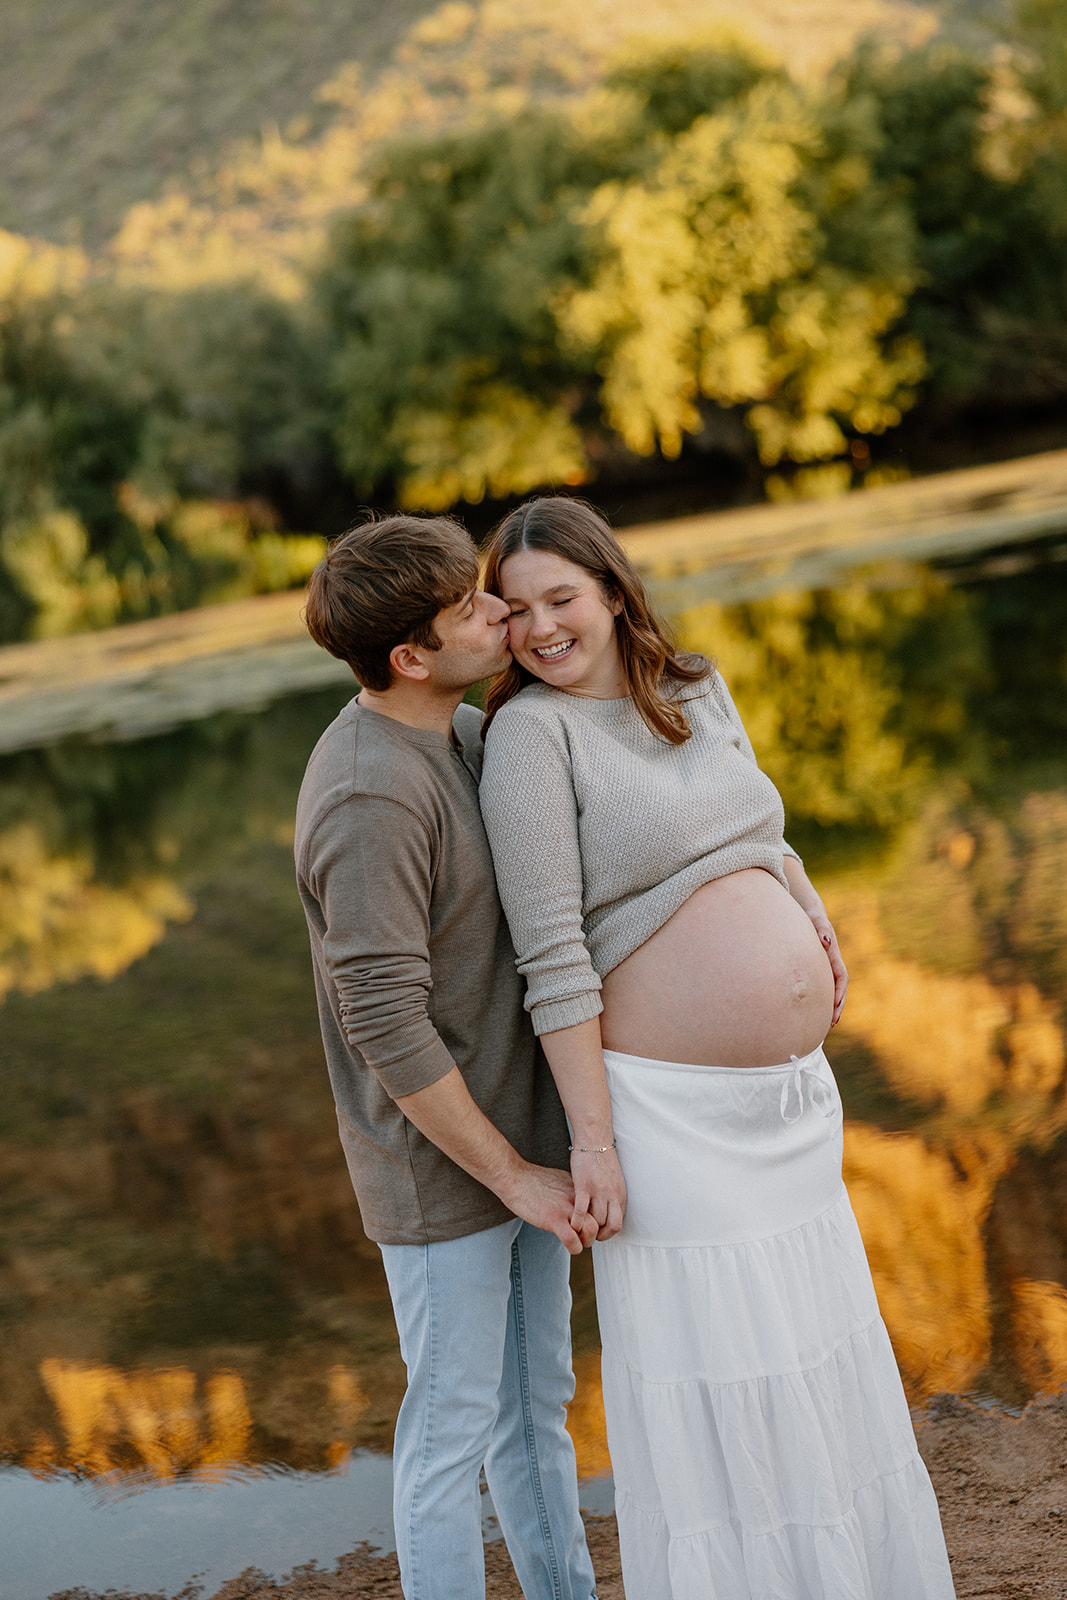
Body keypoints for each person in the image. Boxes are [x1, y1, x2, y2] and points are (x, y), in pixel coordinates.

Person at [478, 496, 957, 1600]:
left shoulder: (691, 685)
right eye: (515, 611)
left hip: (787, 1104)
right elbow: (550, 955)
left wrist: (808, 909)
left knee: (816, 1343)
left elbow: (761, 829)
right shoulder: (527, 738)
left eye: (560, 598)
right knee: (727, 1367)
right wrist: (590, 1142)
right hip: (670, 1120)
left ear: (608, 587)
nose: (542, 627)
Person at [294, 512, 609, 1600]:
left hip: (522, 1142)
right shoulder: (367, 791)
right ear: (410, 656)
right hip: (444, 1169)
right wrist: (510, 1174)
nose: (499, 612)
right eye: (472, 606)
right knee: (450, 1429)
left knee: (535, 1411)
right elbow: (381, 1017)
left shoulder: (464, 734)